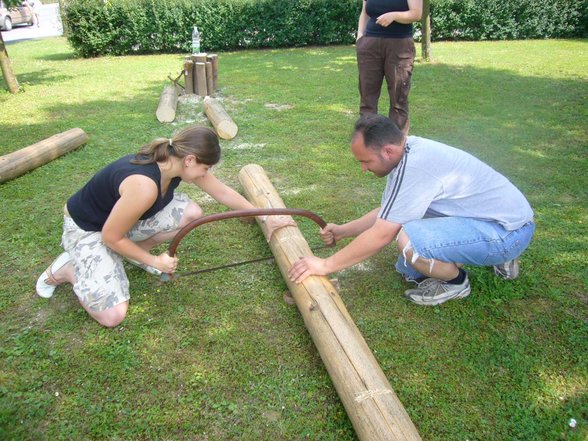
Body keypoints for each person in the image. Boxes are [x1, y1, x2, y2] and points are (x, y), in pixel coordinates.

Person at [36, 126, 290, 327]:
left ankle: (120, 258)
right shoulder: (144, 185)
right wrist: (154, 261)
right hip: (89, 230)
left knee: (190, 212)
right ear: (190, 160)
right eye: (206, 168)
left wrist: (266, 218)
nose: (206, 173)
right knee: (113, 316)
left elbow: (222, 192)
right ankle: (68, 269)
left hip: (117, 223)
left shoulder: (174, 160)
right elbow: (110, 236)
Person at [288, 115, 535, 306]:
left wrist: (325, 265)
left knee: (410, 243)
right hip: (502, 220)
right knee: (409, 267)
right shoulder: (406, 152)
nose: (363, 169)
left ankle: (457, 283)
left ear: (388, 151)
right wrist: (342, 231)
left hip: (507, 233)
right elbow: (388, 212)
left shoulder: (416, 167)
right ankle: (496, 256)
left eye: (366, 161)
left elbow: (383, 234)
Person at [356, 0, 422, 134]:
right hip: (370, 45)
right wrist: (360, 37)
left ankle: (397, 144)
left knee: (399, 99)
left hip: (400, 46)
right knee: (367, 98)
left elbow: (416, 14)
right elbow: (365, 12)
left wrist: (394, 16)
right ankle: (367, 142)